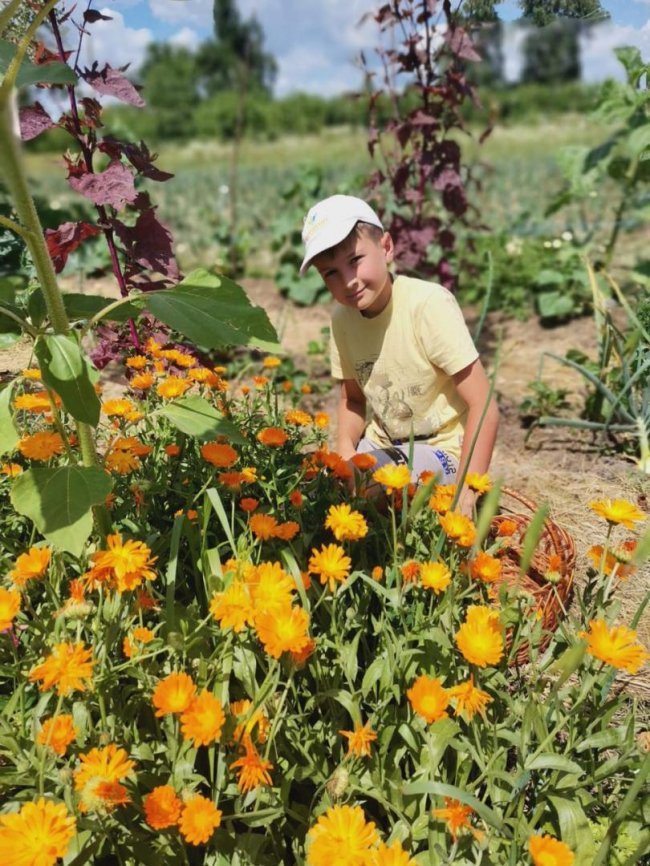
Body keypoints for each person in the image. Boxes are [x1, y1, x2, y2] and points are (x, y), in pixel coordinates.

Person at [299, 194, 499, 515]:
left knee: (371, 484)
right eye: (330, 274)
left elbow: (483, 406)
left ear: (387, 247)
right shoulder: (342, 319)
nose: (348, 281)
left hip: (442, 448)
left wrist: (466, 489)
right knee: (314, 488)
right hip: (383, 444)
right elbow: (352, 399)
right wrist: (345, 449)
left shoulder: (427, 305)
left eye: (355, 260)